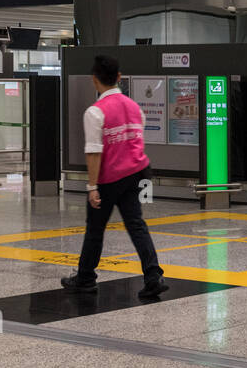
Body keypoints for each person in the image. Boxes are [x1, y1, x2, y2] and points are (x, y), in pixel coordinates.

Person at [62, 54, 169, 299]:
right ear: (119, 77)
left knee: (95, 228)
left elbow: (93, 152)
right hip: (136, 173)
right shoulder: (134, 107)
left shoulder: (95, 112)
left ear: (94, 80)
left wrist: (92, 187)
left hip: (110, 178)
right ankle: (153, 275)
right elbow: (137, 140)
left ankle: (86, 278)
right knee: (136, 225)